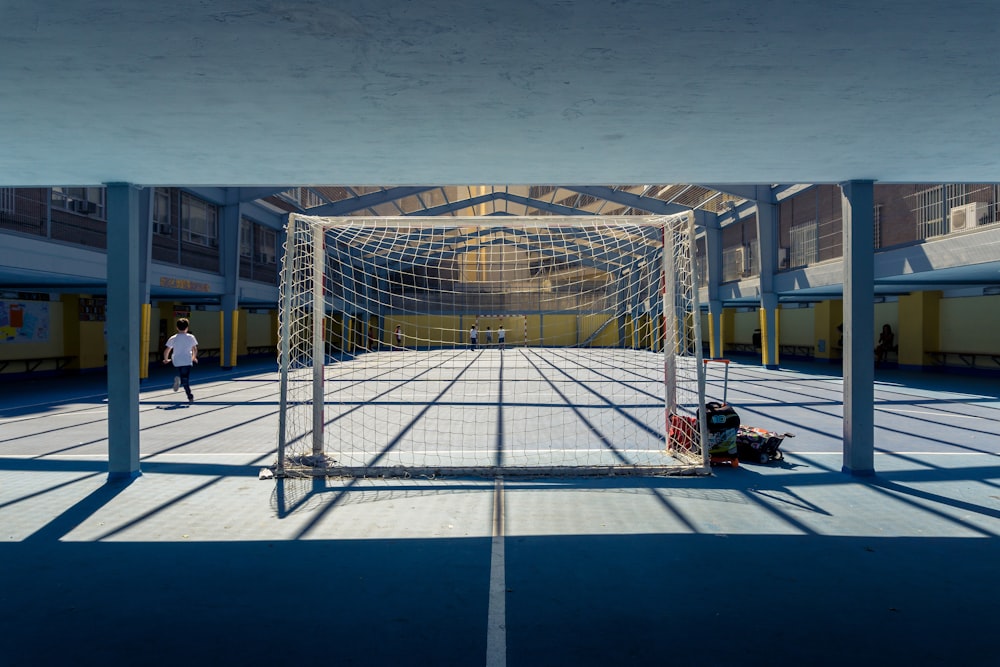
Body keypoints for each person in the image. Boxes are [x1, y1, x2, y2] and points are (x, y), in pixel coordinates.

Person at [163, 317, 198, 403]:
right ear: (187, 328)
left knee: (180, 373)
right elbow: (195, 349)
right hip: (187, 360)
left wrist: (166, 359)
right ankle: (190, 396)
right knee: (185, 379)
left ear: (177, 328)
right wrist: (193, 357)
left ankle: (178, 379)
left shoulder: (173, 338)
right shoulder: (191, 337)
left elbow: (167, 350)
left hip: (176, 361)